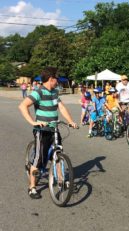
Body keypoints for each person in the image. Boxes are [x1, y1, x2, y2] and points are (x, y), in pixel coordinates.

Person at [18, 67, 77, 199]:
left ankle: (60, 180)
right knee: (39, 159)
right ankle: (32, 187)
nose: (58, 82)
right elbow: (22, 106)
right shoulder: (38, 92)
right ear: (51, 79)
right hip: (42, 130)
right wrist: (33, 122)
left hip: (54, 129)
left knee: (58, 154)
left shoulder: (55, 92)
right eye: (56, 79)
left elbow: (61, 107)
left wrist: (71, 121)